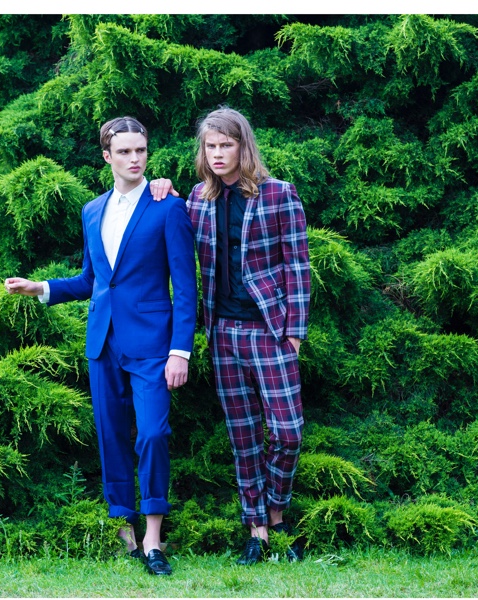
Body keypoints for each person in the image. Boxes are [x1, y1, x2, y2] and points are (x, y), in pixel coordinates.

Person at [6, 116, 197, 576]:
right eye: (125, 152)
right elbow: (92, 280)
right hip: (103, 342)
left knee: (152, 433)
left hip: (153, 345)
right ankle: (124, 528)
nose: (135, 159)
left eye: (141, 150)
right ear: (107, 156)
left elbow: (186, 286)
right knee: (111, 437)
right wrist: (41, 288)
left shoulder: (168, 206)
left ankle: (153, 537)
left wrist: (181, 350)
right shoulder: (92, 211)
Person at [150, 107, 309, 565]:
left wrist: (294, 335)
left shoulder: (278, 194)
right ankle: (257, 530)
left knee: (288, 432)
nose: (217, 153)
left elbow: (298, 266)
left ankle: (276, 513)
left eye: (226, 145)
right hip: (222, 332)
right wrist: (160, 187)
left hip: (270, 331)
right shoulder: (197, 199)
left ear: (243, 146)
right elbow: (168, 227)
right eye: (210, 146)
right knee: (243, 437)